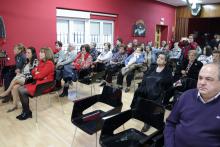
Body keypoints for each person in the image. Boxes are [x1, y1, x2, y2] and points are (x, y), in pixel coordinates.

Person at [164, 63, 220, 147]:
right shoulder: (186, 96)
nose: (202, 82)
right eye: (200, 78)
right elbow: (170, 123)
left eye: (208, 79)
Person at [131, 53, 173, 132]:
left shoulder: (168, 70)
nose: (159, 59)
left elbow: (169, 82)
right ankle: (137, 112)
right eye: (158, 57)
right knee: (139, 92)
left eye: (162, 58)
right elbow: (145, 76)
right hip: (147, 88)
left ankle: (147, 122)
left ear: (165, 62)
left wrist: (157, 81)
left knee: (151, 100)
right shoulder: (153, 66)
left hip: (158, 91)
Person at [16, 47, 55, 120]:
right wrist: (37, 73)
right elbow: (33, 72)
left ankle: (26, 112)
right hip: (39, 82)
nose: (39, 53)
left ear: (46, 54)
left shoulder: (49, 63)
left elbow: (39, 75)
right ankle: (26, 111)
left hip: (45, 85)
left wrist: (37, 73)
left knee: (22, 90)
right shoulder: (42, 62)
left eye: (41, 52)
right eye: (40, 52)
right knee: (19, 88)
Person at [0, 47, 38, 112]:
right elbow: (24, 71)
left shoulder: (35, 61)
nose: (27, 54)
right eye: (26, 52)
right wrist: (20, 73)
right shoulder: (27, 61)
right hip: (24, 78)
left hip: (30, 80)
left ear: (33, 54)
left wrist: (21, 75)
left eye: (29, 53)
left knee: (16, 79)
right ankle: (15, 105)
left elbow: (33, 73)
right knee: (14, 87)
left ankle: (6, 92)